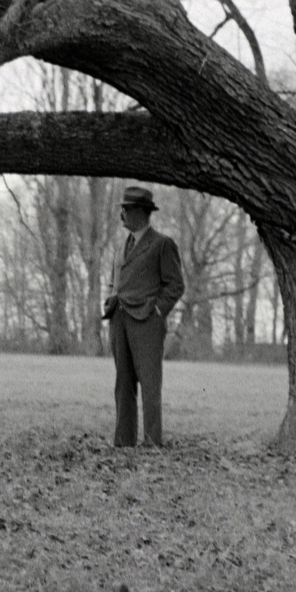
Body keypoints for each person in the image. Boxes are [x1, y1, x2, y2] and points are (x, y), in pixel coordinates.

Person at [102, 186, 184, 448]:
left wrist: (157, 312)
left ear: (140, 212)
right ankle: (124, 442)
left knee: (150, 385)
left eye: (125, 209)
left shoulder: (162, 244)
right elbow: (118, 280)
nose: (121, 214)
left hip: (147, 322)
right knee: (123, 384)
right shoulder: (121, 247)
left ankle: (152, 443)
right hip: (119, 320)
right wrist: (111, 301)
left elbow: (175, 285)